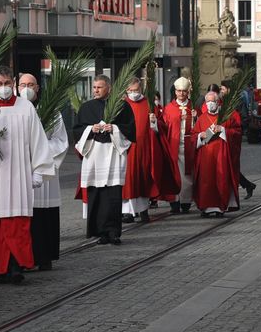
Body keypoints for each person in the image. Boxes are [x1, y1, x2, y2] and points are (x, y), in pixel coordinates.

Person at [0, 67, 54, 284]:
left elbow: (37, 139)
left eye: (7, 83)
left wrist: (38, 170)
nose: (3, 88)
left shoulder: (26, 107)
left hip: (19, 173)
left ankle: (16, 265)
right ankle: (0, 267)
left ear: (13, 84)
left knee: (17, 223)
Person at [74, 75, 135, 244]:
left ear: (108, 88)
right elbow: (77, 130)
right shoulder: (86, 107)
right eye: (94, 87)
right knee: (97, 194)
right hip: (94, 153)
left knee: (113, 195)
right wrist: (89, 129)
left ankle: (113, 232)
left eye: (99, 87)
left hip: (113, 152)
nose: (95, 90)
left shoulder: (122, 106)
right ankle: (100, 232)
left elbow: (130, 129)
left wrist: (113, 128)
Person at [21, 73, 69, 271]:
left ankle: (44, 256)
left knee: (43, 216)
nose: (26, 88)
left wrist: (39, 149)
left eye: (30, 84)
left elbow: (60, 140)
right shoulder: (11, 111)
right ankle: (24, 257)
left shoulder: (50, 111)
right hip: (21, 171)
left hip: (44, 171)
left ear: (37, 88)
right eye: (22, 84)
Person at [193, 90, 240, 215]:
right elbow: (193, 136)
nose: (209, 104)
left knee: (221, 178)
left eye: (212, 101)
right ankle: (206, 207)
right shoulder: (202, 118)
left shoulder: (226, 116)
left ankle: (220, 207)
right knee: (206, 181)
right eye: (207, 101)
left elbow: (237, 132)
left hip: (221, 154)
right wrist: (200, 136)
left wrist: (223, 130)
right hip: (206, 155)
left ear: (218, 102)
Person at [121, 78, 159, 224]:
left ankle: (143, 210)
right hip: (127, 147)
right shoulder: (122, 105)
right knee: (128, 180)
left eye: (136, 90)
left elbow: (160, 126)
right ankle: (127, 212)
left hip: (144, 148)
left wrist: (154, 122)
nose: (133, 93)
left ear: (141, 90)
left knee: (143, 178)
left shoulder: (149, 104)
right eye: (130, 91)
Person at [159, 77, 198, 215]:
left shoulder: (193, 107)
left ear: (188, 92)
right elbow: (163, 127)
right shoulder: (169, 108)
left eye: (184, 91)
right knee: (174, 174)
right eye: (179, 91)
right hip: (173, 145)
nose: (181, 94)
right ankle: (174, 202)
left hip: (189, 146)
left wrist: (196, 117)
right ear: (175, 92)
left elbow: (200, 127)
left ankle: (186, 202)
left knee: (188, 175)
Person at [220, 80, 255, 198]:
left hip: (233, 135)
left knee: (232, 164)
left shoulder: (237, 101)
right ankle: (248, 185)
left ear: (229, 89)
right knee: (227, 165)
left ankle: (245, 185)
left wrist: (239, 128)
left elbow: (244, 117)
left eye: (223, 89)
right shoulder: (224, 101)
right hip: (224, 135)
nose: (221, 91)